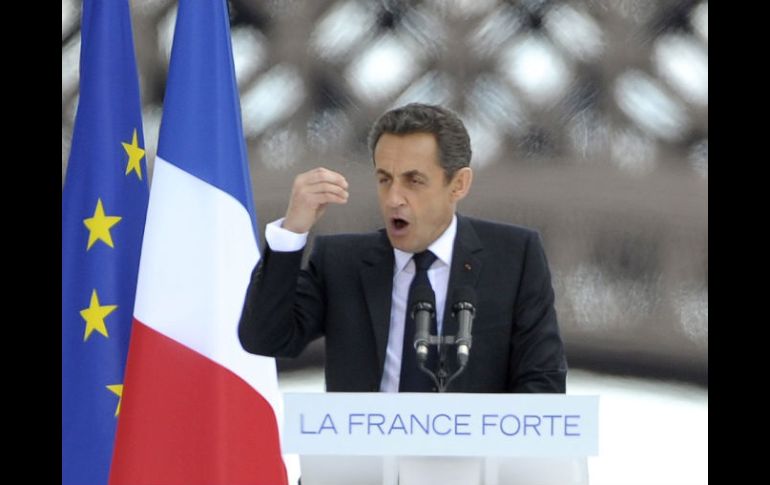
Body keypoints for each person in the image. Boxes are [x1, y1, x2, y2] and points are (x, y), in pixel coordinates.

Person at [239, 103, 566, 393]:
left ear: (459, 184)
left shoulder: (513, 257)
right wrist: (292, 231)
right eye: (385, 179)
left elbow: (542, 384)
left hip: (476, 461)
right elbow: (264, 337)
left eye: (414, 180)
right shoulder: (341, 262)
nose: (394, 198)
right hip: (366, 460)